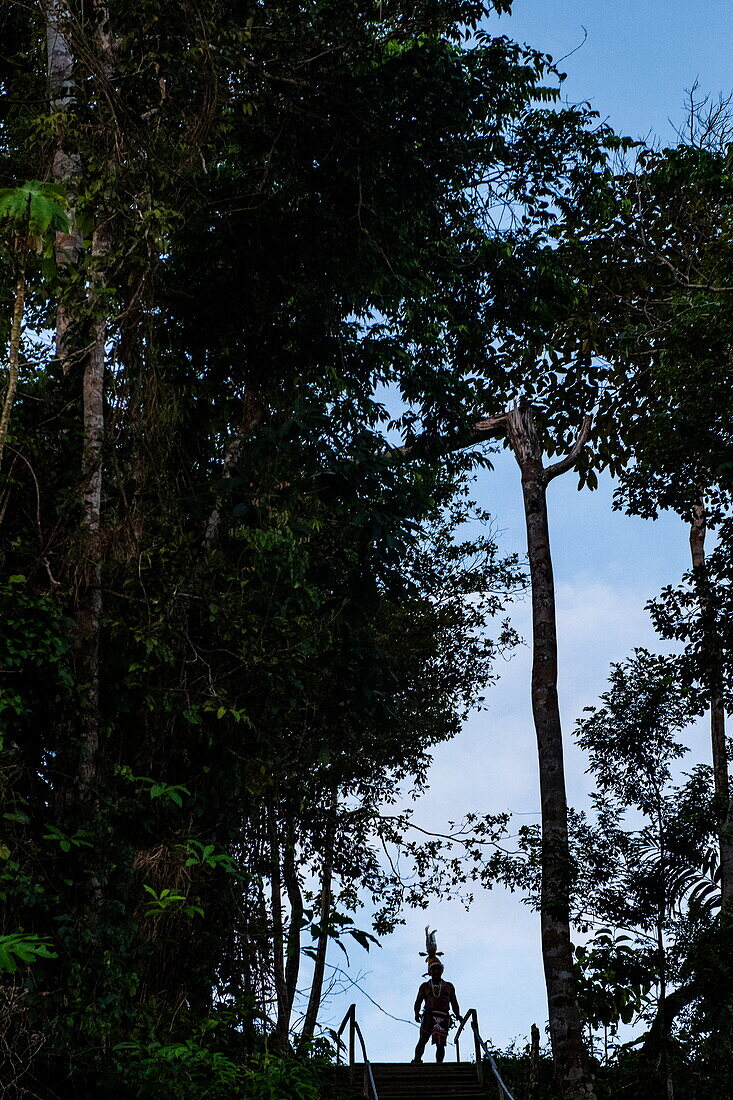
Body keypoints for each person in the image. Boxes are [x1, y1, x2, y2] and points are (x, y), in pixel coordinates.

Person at [412, 961, 460, 1064]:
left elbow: (454, 1002)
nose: (436, 971)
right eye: (434, 969)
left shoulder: (449, 986)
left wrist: (458, 1015)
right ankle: (417, 1060)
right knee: (423, 1039)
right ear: (430, 972)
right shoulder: (425, 986)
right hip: (428, 1015)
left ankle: (439, 1064)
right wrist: (416, 1013)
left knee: (441, 1043)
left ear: (442, 971)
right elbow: (418, 1001)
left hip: (443, 1016)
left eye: (439, 969)